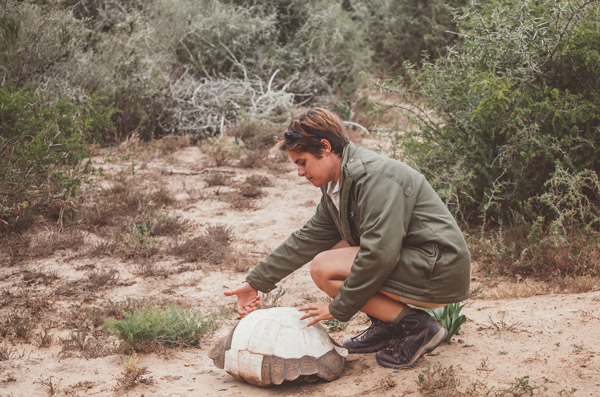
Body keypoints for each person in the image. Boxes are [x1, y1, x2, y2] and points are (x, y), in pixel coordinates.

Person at [225, 107, 471, 369]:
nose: (299, 172)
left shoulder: (375, 178)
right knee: (332, 249)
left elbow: (380, 254)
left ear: (326, 147)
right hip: (418, 262)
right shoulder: (337, 185)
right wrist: (255, 282)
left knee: (325, 267)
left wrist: (338, 308)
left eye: (302, 162)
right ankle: (389, 325)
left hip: (439, 269)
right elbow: (307, 239)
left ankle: (418, 328)